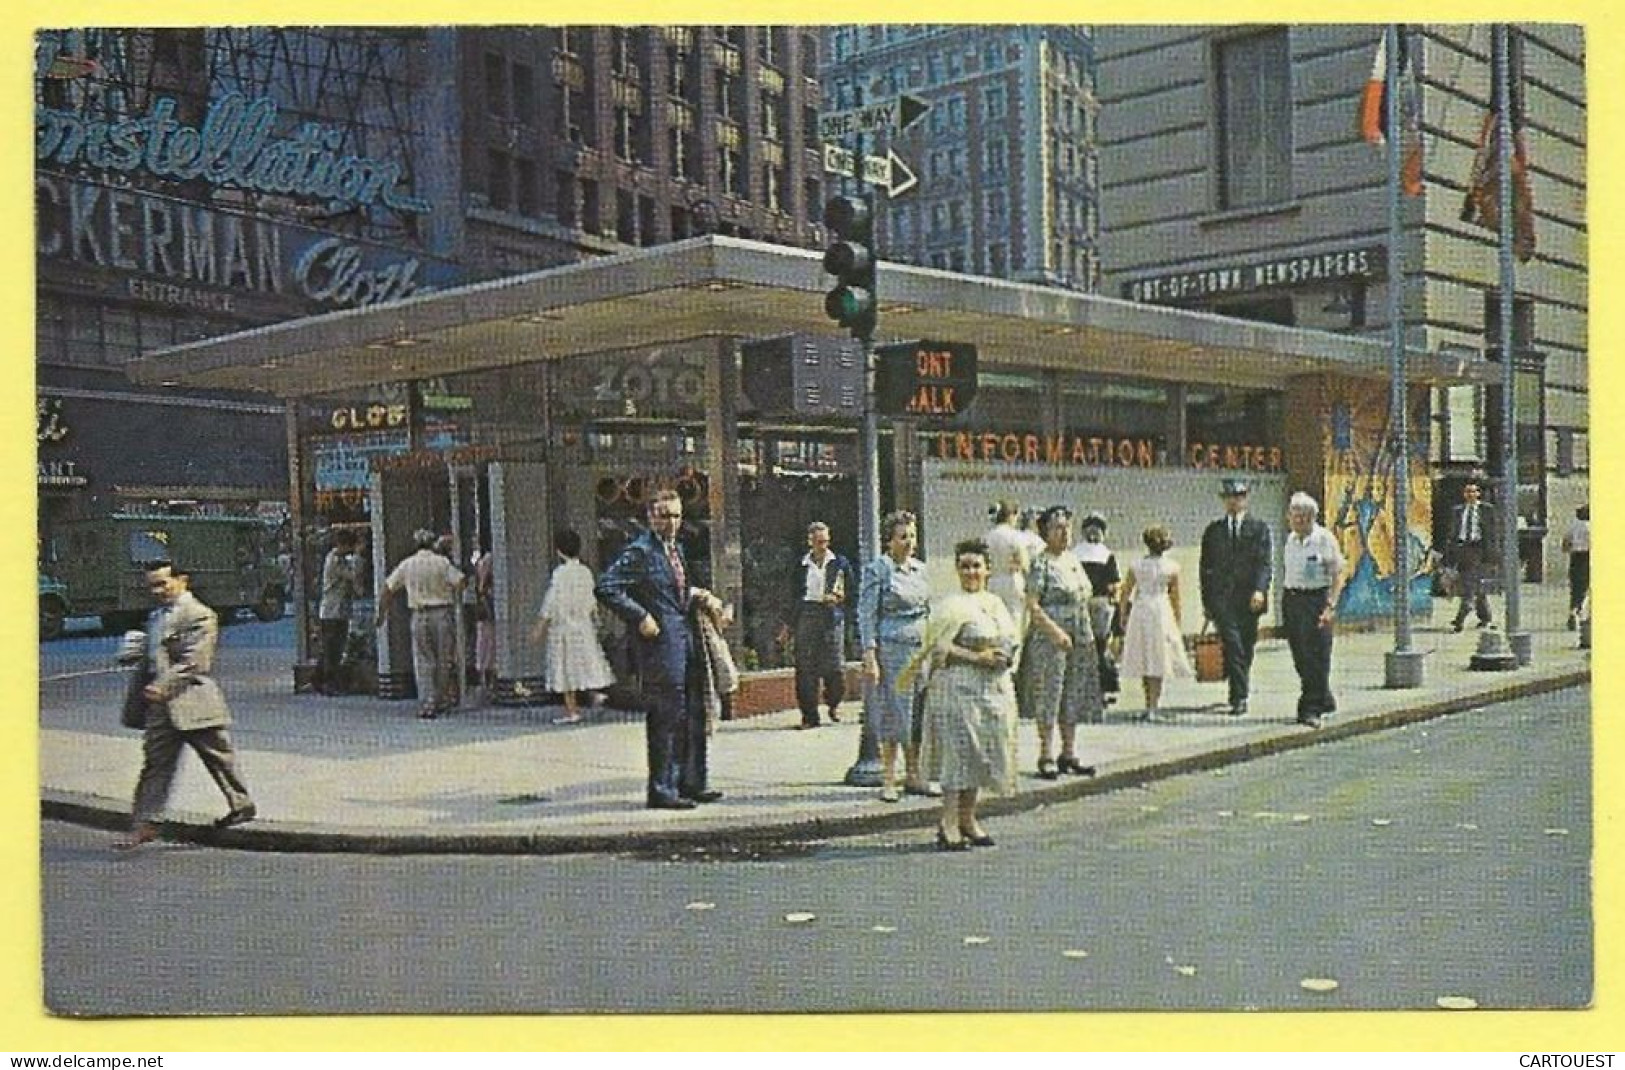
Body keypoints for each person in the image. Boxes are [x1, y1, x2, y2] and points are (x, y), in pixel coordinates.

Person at [595, 488, 726, 809]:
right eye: (665, 516)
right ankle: (662, 789)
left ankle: (692, 781)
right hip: (661, 648)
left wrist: (700, 596)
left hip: (686, 640)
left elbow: (673, 590)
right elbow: (607, 587)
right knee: (667, 718)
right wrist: (640, 616)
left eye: (677, 516)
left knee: (693, 714)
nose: (672, 522)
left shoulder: (676, 549)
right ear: (651, 517)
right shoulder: (640, 551)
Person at [114, 560, 256, 850]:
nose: (157, 590)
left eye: (163, 583)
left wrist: (163, 685)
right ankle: (145, 823)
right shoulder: (156, 617)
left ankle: (241, 804)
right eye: (152, 585)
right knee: (155, 765)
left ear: (182, 580)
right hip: (160, 707)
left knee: (219, 757)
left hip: (193, 702)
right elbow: (152, 657)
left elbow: (196, 661)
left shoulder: (200, 615)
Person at [902, 539, 1021, 851]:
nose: (971, 571)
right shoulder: (949, 605)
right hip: (957, 687)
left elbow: (1011, 639)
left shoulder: (995, 603)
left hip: (992, 690)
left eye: (977, 565)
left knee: (981, 753)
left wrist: (1004, 657)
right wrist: (975, 657)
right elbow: (938, 649)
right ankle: (949, 822)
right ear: (957, 569)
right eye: (965, 566)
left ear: (988, 569)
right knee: (958, 753)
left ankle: (969, 818)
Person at [1020, 505, 1101, 779]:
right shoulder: (1041, 562)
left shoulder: (1072, 560)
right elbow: (1032, 604)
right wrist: (1054, 632)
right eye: (1057, 527)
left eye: (1067, 526)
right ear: (1045, 532)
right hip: (1051, 636)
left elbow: (1085, 594)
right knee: (1050, 693)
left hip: (1079, 631)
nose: (1064, 532)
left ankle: (1068, 752)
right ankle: (1045, 753)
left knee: (1074, 693)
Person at [857, 510, 932, 803]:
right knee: (895, 714)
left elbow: (928, 609)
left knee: (918, 716)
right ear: (889, 541)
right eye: (903, 537)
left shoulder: (920, 570)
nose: (909, 542)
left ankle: (914, 775)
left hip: (921, 648)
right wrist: (869, 655)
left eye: (912, 536)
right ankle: (889, 779)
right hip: (893, 650)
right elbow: (866, 614)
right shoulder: (879, 570)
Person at [1199, 477, 1273, 717]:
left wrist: (1260, 590)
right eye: (1230, 497)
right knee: (1233, 645)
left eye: (1239, 497)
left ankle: (1240, 683)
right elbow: (1205, 569)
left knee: (1246, 646)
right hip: (1223, 600)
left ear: (1246, 499)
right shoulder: (1213, 531)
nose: (1234, 502)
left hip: (1249, 598)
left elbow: (1264, 564)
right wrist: (1207, 603)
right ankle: (1238, 697)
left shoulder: (1259, 529)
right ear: (1224, 501)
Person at [376, 527, 466, 720]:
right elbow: (460, 582)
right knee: (444, 659)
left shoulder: (408, 564)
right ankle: (441, 699)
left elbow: (388, 587)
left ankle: (427, 702)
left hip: (419, 614)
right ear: (433, 544)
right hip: (442, 613)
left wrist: (381, 613)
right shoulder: (442, 563)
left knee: (423, 659)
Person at [531, 528, 616, 725]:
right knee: (587, 661)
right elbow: (591, 601)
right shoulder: (585, 572)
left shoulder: (560, 573)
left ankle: (572, 710)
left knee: (566, 669)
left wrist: (540, 626)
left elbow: (551, 602)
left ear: (559, 551)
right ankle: (595, 693)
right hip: (583, 626)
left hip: (563, 628)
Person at [779, 521, 855, 729]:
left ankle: (834, 702)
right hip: (807, 613)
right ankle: (809, 716)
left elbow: (852, 592)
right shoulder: (801, 565)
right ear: (810, 542)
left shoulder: (840, 563)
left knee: (836, 666)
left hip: (831, 615)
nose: (823, 546)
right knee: (805, 668)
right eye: (819, 542)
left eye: (826, 541)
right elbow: (793, 596)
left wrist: (840, 600)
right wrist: (788, 625)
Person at [1282, 493, 1347, 728]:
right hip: (1292, 599)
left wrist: (1331, 605)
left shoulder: (1324, 539)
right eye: (1293, 516)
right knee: (1300, 654)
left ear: (1312, 518)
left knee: (1316, 654)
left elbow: (1339, 573)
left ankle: (1310, 708)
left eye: (1302, 517)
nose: (1297, 521)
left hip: (1316, 599)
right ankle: (1324, 696)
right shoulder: (1290, 540)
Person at [1117, 525, 1193, 718]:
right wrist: (1177, 621)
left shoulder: (1137, 565)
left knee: (1146, 655)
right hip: (1160, 610)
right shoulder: (1171, 567)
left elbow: (1126, 592)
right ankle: (1153, 705)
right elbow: (1175, 597)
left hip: (1141, 609)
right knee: (1157, 656)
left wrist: (1123, 614)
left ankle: (1148, 703)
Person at [1074, 511, 1122, 704]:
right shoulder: (1106, 554)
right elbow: (1114, 584)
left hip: (1081, 603)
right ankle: (1100, 690)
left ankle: (1082, 691)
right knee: (1100, 647)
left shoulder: (1074, 553)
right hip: (1101, 603)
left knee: (1081, 647)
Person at [1446, 479, 1496, 633]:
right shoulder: (1458, 510)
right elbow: (1453, 532)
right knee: (1474, 583)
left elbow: (1493, 533)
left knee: (1469, 584)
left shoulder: (1487, 510)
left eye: (1474, 491)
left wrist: (1493, 555)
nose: (1470, 495)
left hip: (1478, 548)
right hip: (1462, 549)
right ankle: (1485, 616)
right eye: (1468, 492)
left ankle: (1461, 616)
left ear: (1479, 493)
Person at [316, 529, 360, 695]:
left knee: (334, 647)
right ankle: (328, 682)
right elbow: (352, 575)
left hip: (339, 609)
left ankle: (319, 679)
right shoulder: (334, 560)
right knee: (332, 649)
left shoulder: (339, 559)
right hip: (332, 610)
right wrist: (357, 556)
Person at [983, 499, 1030, 631]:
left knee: (995, 619)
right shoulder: (1015, 536)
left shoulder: (987, 537)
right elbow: (1024, 562)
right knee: (1015, 619)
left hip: (993, 580)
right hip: (1012, 580)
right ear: (1011, 515)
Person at [471, 543, 497, 702]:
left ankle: (486, 683)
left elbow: (480, 587)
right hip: (490, 608)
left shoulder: (485, 558)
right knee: (490, 644)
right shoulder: (489, 558)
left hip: (486, 608)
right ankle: (491, 684)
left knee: (485, 645)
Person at [1562, 504, 1590, 630]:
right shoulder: (1590, 527)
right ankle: (1579, 612)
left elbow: (1565, 544)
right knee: (1585, 586)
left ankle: (1573, 610)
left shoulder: (1573, 526)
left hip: (1575, 557)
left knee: (1576, 587)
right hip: (1587, 556)